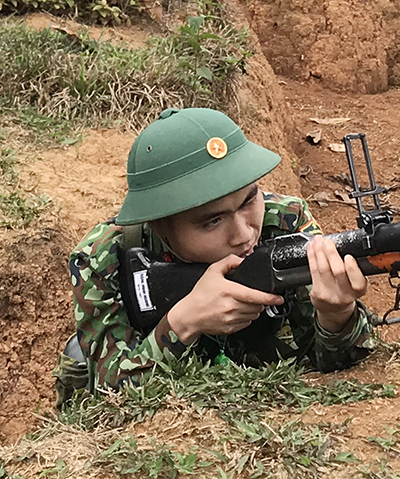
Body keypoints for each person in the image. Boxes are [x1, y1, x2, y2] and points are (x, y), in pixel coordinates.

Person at [58, 107, 373, 401]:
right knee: (78, 358)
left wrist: (336, 317)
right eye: (213, 220)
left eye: (249, 201)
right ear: (158, 224)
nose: (245, 233)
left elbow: (330, 364)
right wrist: (183, 324)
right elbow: (111, 395)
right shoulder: (103, 258)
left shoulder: (287, 223)